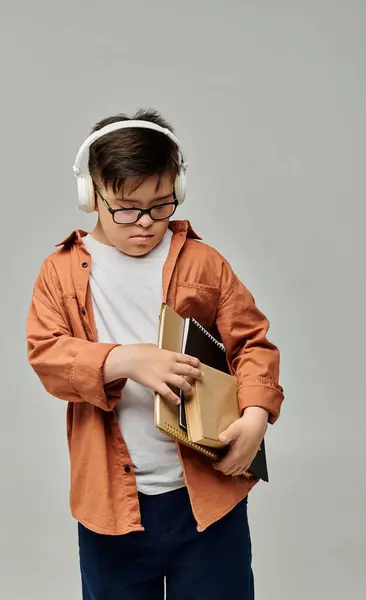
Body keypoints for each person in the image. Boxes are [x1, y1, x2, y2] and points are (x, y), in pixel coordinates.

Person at [26, 109, 284, 600]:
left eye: (160, 205)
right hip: (112, 506)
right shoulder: (59, 273)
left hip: (207, 501)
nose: (144, 223)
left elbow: (252, 343)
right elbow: (47, 355)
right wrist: (124, 359)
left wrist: (255, 417)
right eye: (125, 207)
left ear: (178, 192)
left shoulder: (203, 262)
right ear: (91, 195)